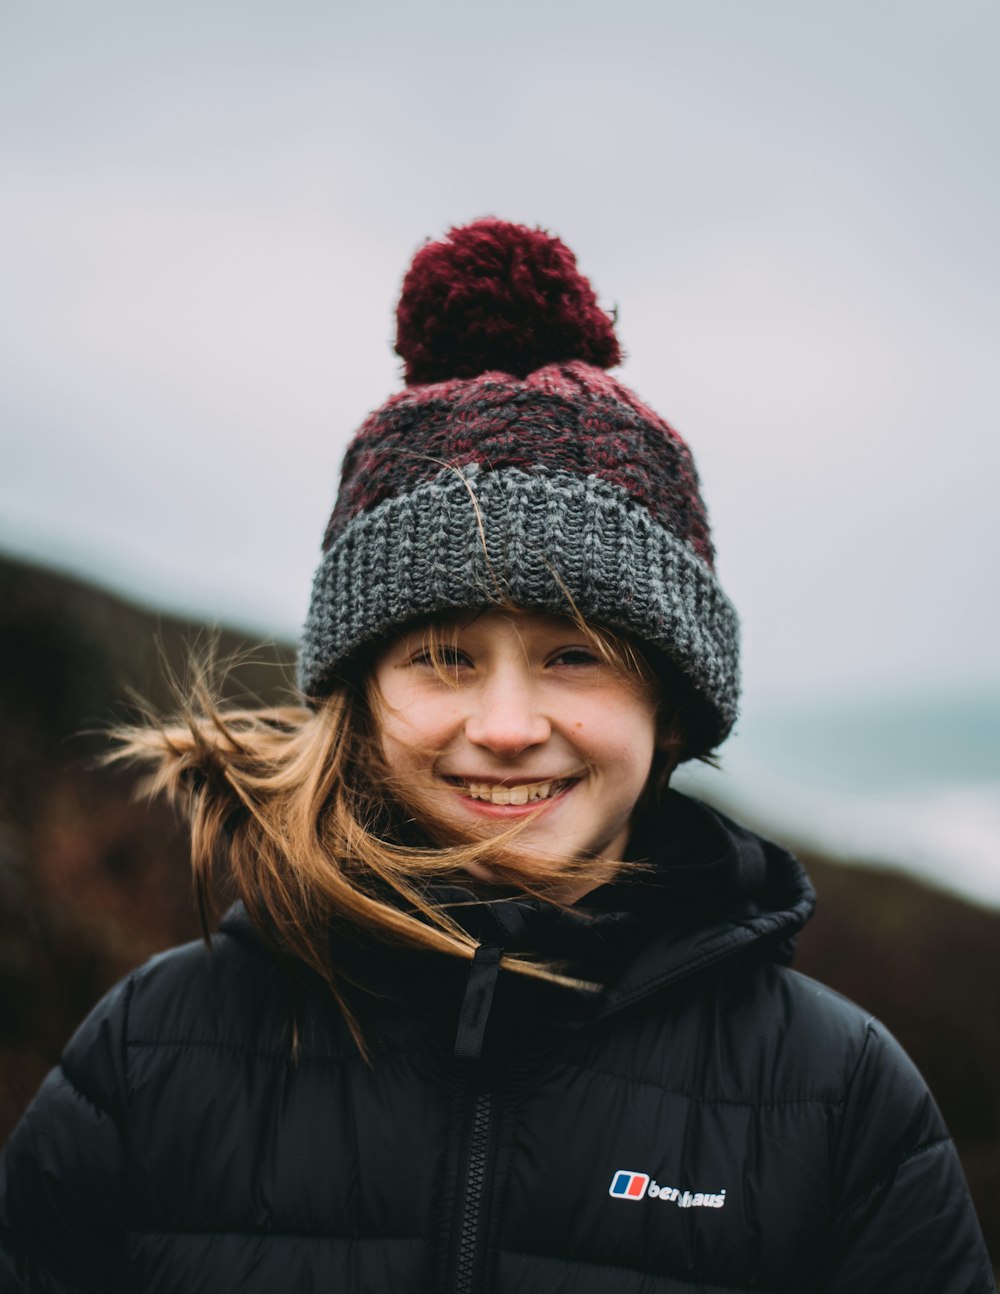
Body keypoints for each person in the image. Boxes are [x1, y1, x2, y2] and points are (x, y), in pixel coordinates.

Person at [0, 219, 993, 1294]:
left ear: (671, 705)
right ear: (359, 698)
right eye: (443, 656)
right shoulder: (151, 1054)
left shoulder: (838, 1098)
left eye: (574, 653)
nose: (509, 725)